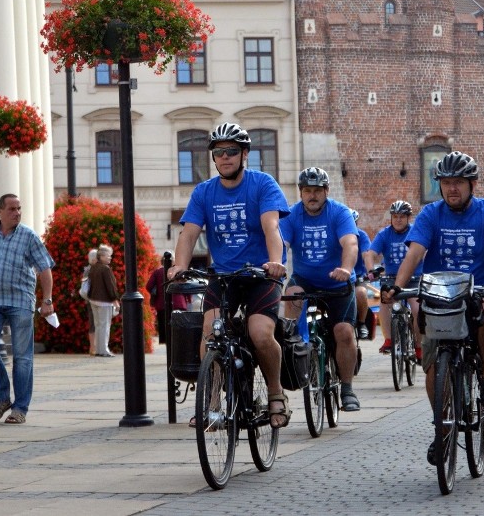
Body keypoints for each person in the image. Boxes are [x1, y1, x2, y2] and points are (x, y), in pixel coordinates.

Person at [382, 151, 484, 465]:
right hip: (440, 291)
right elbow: (415, 254)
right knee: (433, 364)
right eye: (446, 183)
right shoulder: (431, 214)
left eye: (458, 182)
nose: (452, 189)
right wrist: (397, 286)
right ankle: (441, 429)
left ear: (472, 184)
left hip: (478, 286)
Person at [165, 122, 291, 428]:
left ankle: (276, 395)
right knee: (210, 333)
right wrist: (179, 265)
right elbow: (189, 232)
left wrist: (275, 262)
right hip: (223, 277)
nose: (225, 157)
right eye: (218, 152)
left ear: (244, 154)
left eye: (231, 151)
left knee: (260, 334)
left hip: (261, 274)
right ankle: (212, 404)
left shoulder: (262, 184)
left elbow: (271, 227)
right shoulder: (204, 192)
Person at [281, 167, 361, 412]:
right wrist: (276, 264)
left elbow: (350, 243)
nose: (312, 195)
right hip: (305, 279)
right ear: (301, 193)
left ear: (326, 191)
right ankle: (296, 350)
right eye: (307, 191)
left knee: (344, 332)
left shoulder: (339, 213)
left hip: (337, 281)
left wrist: (346, 269)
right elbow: (281, 243)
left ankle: (347, 389)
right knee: (292, 296)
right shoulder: (292, 215)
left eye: (317, 190)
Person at [0, 194, 55, 425]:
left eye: (19, 208)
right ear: (0, 211)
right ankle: (1, 397)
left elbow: (45, 269)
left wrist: (47, 300)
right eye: (12, 209)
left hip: (20, 300)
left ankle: (20, 408)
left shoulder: (28, 236)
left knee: (22, 358)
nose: (17, 212)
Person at [365, 200, 422, 359]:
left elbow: (423, 252)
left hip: (413, 278)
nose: (398, 220)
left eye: (402, 217)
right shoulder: (384, 234)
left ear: (408, 218)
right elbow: (370, 254)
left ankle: (418, 347)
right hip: (391, 278)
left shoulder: (415, 232)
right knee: (384, 302)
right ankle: (389, 339)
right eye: (395, 216)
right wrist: (371, 270)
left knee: (417, 310)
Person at [146, 251, 188, 345]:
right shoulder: (179, 272)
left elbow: (149, 286)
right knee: (179, 328)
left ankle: (167, 345)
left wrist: (156, 293)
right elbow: (186, 285)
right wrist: (187, 299)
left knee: (165, 328)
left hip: (162, 304)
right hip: (179, 303)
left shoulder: (157, 272)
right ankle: (178, 344)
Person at [87, 244, 121, 357]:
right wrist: (115, 300)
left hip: (93, 300)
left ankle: (98, 350)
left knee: (98, 325)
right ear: (101, 256)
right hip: (104, 301)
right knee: (105, 326)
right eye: (108, 256)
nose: (110, 258)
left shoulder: (93, 267)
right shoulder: (105, 269)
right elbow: (110, 287)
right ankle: (104, 350)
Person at [352, 210, 374, 340]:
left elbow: (366, 253)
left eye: (354, 223)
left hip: (357, 276)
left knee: (360, 293)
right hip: (335, 277)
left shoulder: (362, 235)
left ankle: (361, 323)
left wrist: (370, 269)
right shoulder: (334, 233)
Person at [82, 249, 98, 355]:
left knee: (95, 323)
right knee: (95, 323)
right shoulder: (90, 270)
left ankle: (93, 347)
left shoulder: (87, 270)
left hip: (91, 299)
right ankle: (93, 347)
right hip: (94, 299)